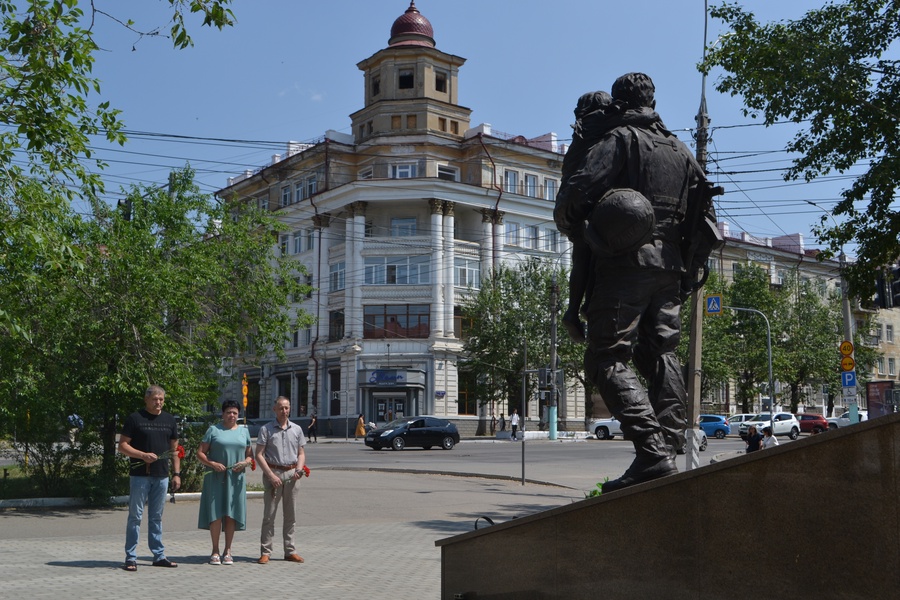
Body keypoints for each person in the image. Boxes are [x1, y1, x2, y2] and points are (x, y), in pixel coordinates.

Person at [554, 73, 716, 493]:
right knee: (659, 353)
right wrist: (688, 272)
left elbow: (575, 195)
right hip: (672, 268)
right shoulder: (681, 151)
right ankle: (672, 440)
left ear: (620, 103)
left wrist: (581, 227)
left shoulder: (622, 140)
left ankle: (651, 451)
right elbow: (709, 222)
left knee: (605, 358)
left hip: (625, 263)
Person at [559, 90, 618, 343]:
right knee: (592, 257)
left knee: (582, 259)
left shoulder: (580, 137)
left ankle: (576, 309)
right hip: (592, 210)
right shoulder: (603, 134)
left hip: (578, 210)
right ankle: (580, 308)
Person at [117, 385, 181, 571]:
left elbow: (175, 450)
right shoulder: (135, 418)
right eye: (155, 399)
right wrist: (142, 455)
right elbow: (122, 446)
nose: (158, 402)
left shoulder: (169, 420)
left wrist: (176, 473)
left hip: (161, 475)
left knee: (156, 517)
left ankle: (159, 555)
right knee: (135, 516)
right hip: (140, 476)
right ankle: (130, 557)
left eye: (161, 399)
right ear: (146, 399)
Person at [197, 400, 254, 565]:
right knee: (216, 514)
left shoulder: (244, 432)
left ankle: (228, 550)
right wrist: (212, 464)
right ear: (223, 414)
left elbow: (250, 456)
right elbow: (200, 453)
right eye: (229, 412)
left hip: (235, 480)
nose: (232, 415)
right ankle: (215, 550)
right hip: (216, 478)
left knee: (231, 514)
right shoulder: (213, 430)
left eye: (235, 413)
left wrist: (244, 463)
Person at [255, 396, 307, 564]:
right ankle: (266, 551)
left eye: (286, 408)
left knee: (290, 515)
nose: (284, 411)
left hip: (292, 475)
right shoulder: (266, 429)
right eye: (281, 408)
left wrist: (299, 469)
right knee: (269, 515)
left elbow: (301, 453)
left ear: (289, 409)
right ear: (274, 410)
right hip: (273, 474)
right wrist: (270, 475)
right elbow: (259, 455)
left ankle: (290, 550)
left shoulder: (297, 429)